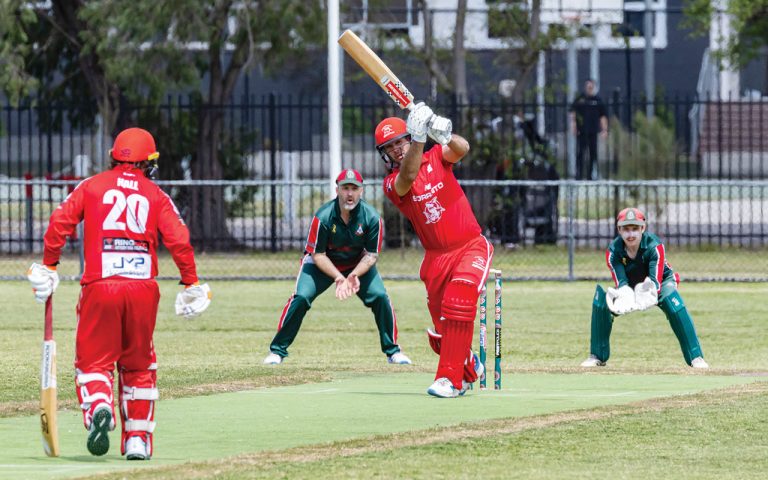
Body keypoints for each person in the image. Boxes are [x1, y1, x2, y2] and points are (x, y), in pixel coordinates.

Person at [26, 128, 212, 461]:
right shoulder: (156, 194)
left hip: (100, 285)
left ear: (114, 156)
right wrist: (191, 282)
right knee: (139, 365)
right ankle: (137, 439)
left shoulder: (91, 185)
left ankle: (100, 405)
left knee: (93, 361)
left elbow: (59, 223)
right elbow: (179, 239)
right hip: (143, 288)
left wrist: (50, 265)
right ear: (148, 162)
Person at [376, 103, 493, 398]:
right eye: (390, 147)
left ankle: (448, 380)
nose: (396, 149)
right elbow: (407, 178)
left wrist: (444, 133)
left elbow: (462, 149)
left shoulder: (436, 156)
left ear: (408, 138)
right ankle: (468, 367)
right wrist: (418, 137)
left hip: (470, 246)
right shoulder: (391, 183)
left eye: (400, 141)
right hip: (436, 259)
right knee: (443, 332)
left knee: (459, 301)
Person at [262, 168, 411, 366]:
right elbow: (317, 254)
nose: (350, 193)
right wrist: (339, 277)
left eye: (354, 189)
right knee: (301, 297)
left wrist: (354, 275)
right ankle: (277, 351)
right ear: (337, 190)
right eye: (345, 188)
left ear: (361, 191)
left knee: (380, 297)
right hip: (322, 264)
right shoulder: (323, 216)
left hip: (356, 264)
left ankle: (393, 351)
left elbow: (371, 255)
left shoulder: (372, 217)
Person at [580, 207, 708, 369]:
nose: (631, 234)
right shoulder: (613, 252)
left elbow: (655, 282)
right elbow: (622, 283)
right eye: (626, 229)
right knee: (601, 303)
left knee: (672, 302)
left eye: (635, 228)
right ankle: (597, 356)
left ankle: (696, 357)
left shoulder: (654, 246)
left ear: (643, 228)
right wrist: (625, 297)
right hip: (631, 285)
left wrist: (648, 296)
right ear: (619, 230)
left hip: (661, 282)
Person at [569, 79, 608, 180]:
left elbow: (603, 116)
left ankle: (590, 175)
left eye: (591, 87)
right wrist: (573, 125)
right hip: (582, 131)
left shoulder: (597, 100)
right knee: (580, 153)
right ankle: (579, 175)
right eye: (588, 87)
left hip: (593, 131)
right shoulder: (580, 99)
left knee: (593, 154)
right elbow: (572, 112)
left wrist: (604, 130)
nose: (589, 89)